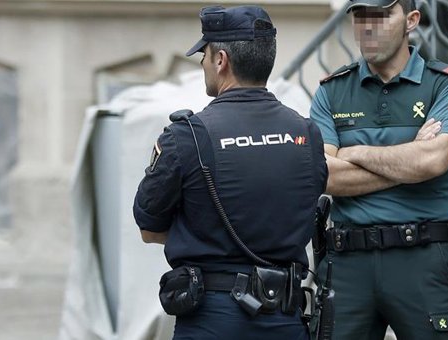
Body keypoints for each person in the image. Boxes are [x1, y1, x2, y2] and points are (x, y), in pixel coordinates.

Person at [133, 5, 328, 340]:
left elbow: (149, 230)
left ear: (221, 60)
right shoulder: (306, 134)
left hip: (213, 318)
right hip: (286, 317)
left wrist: (199, 227)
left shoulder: (186, 137)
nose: (203, 64)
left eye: (204, 56)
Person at [309, 0, 448, 339]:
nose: (368, 26)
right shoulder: (332, 90)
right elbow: (325, 175)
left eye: (381, 16)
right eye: (361, 16)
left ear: (411, 20)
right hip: (348, 263)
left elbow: (432, 161)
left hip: (422, 259)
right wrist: (410, 156)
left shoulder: (445, 84)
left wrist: (353, 152)